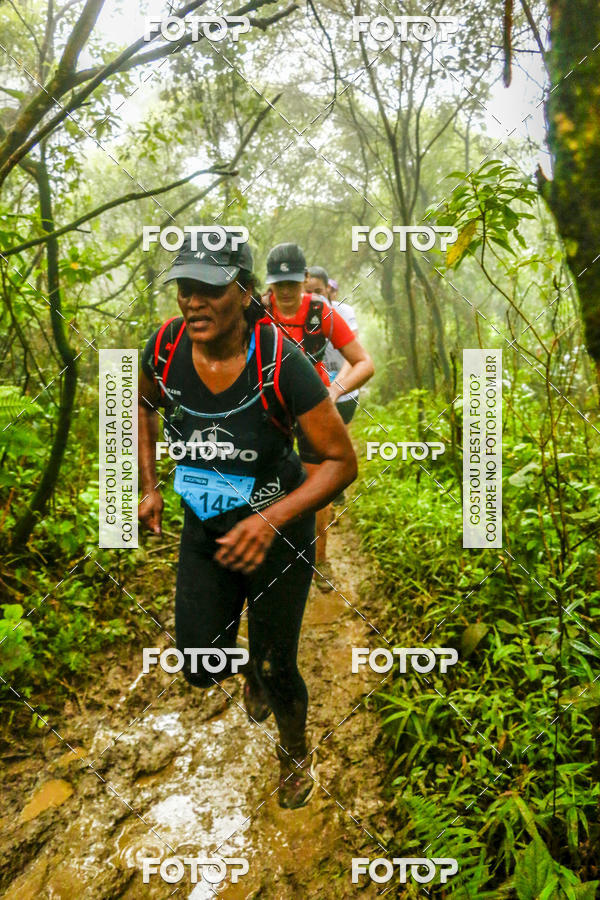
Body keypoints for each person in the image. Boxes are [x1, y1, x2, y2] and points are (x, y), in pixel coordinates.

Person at [137, 229, 357, 809]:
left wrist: (270, 520)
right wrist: (148, 486)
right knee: (199, 662)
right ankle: (247, 668)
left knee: (276, 662)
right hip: (206, 526)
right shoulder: (162, 347)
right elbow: (140, 403)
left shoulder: (281, 362)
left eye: (209, 288)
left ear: (242, 290)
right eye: (185, 287)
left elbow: (340, 462)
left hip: (279, 533)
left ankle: (293, 753)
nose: (193, 301)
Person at [261, 244, 374, 591]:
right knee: (266, 486)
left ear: (305, 279)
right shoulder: (258, 312)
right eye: (279, 285)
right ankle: (269, 561)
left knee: (316, 489)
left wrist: (334, 392)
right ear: (270, 285)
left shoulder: (320, 312)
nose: (286, 292)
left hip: (313, 408)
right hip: (271, 409)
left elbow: (364, 362)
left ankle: (317, 564)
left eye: (293, 284)